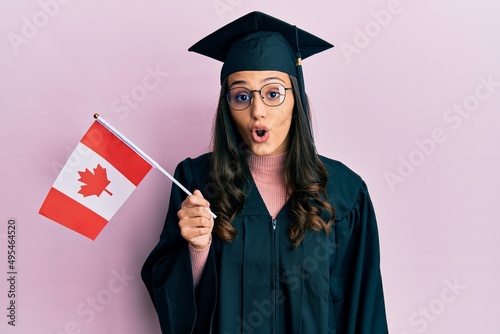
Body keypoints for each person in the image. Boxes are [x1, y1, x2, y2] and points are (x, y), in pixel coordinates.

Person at [141, 11, 388, 333]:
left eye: (273, 94)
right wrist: (197, 248)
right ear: (227, 107)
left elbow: (363, 307)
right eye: (241, 96)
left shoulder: (345, 192)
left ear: (295, 99)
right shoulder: (197, 184)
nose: (257, 111)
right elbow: (175, 305)